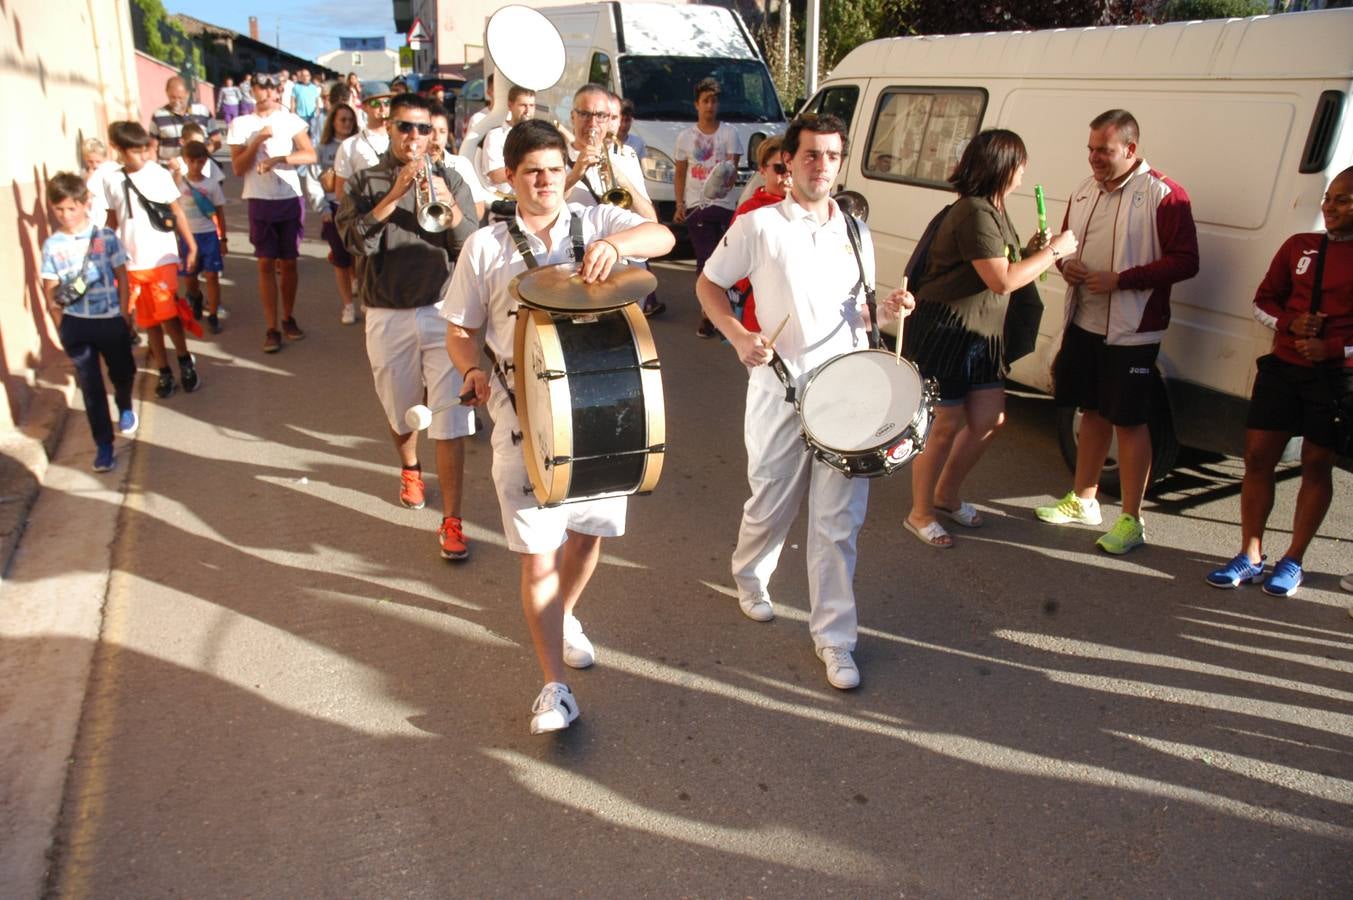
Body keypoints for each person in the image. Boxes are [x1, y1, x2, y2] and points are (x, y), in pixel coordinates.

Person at [442, 119, 675, 734]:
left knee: (588, 535)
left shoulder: (592, 220)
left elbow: (665, 235)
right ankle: (555, 686)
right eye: (530, 172)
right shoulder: (485, 247)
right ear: (512, 177)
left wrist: (620, 247)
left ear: (564, 168)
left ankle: (563, 616)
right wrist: (470, 371)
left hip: (605, 411)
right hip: (521, 417)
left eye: (552, 168)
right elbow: (460, 331)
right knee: (537, 556)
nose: (543, 181)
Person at [695, 113, 915, 691]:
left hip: (848, 394)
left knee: (838, 522)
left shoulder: (856, 231)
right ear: (788, 163)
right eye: (811, 155)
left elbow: (860, 314)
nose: (822, 166)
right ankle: (750, 575)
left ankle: (835, 639)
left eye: (832, 156)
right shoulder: (760, 226)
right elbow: (709, 285)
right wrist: (740, 336)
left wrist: (890, 311)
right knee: (771, 500)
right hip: (780, 389)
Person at [901, 130, 1078, 549]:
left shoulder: (994, 209)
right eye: (1020, 165)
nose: (1023, 174)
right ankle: (920, 512)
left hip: (983, 336)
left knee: (990, 419)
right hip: (948, 333)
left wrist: (1033, 249)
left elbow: (1004, 264)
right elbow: (1001, 280)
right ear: (1003, 167)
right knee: (944, 425)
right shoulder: (975, 212)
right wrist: (1054, 251)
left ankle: (945, 495)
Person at [1034, 110, 1199, 554]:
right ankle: (1084, 499)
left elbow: (1187, 261)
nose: (1094, 159)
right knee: (1091, 412)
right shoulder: (1084, 190)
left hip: (1132, 331)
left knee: (1130, 422)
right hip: (1085, 321)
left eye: (1103, 151)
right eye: (1090, 150)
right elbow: (1068, 245)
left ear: (1130, 149)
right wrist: (1066, 267)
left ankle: (1131, 519)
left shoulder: (1163, 193)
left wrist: (1120, 279)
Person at [337, 93, 479, 561]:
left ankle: (453, 519)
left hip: (444, 312)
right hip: (386, 312)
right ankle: (410, 468)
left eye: (423, 129)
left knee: (450, 418)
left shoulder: (451, 177)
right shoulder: (363, 180)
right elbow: (354, 242)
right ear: (388, 127)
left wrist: (445, 203)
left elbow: (470, 244)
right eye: (405, 127)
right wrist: (396, 193)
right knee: (401, 410)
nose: (414, 137)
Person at [1205, 167, 1353, 597]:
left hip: (1333, 380)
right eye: (1328, 197)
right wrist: (1292, 323)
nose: (1330, 206)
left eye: (1343, 200)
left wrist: (1335, 348)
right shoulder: (1300, 246)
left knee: (1316, 464)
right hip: (1283, 371)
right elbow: (1262, 301)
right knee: (1256, 458)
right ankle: (1250, 554)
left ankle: (1294, 559)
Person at [41, 173, 137, 472]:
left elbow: (122, 274)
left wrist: (124, 312)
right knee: (91, 387)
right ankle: (104, 445)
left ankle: (124, 405)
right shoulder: (52, 244)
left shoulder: (104, 237)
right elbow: (50, 288)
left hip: (110, 320)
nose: (66, 215)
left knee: (123, 372)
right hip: (76, 325)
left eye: (71, 208)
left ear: (85, 204)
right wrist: (60, 324)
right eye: (59, 209)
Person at [103, 121, 200, 398]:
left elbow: (177, 211)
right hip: (133, 261)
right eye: (136, 151)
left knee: (167, 312)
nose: (144, 156)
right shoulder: (111, 179)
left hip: (162, 256)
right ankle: (164, 370)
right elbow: (113, 221)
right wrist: (99, 250)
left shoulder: (158, 174)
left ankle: (184, 360)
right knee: (149, 321)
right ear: (118, 149)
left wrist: (190, 246)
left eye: (145, 149)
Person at [227, 72, 317, 353]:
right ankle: (271, 327)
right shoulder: (241, 123)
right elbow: (238, 168)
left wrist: (281, 158)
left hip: (289, 196)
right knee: (265, 263)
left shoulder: (289, 120)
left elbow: (310, 154)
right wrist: (256, 141)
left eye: (270, 88)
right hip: (259, 198)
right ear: (252, 90)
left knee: (288, 262)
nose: (264, 92)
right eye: (259, 87)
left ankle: (288, 317)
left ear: (277, 91)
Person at [675, 77, 744, 338]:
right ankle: (708, 315)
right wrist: (680, 203)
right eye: (705, 101)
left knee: (725, 261)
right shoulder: (685, 137)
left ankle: (724, 313)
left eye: (714, 101)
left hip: (724, 205)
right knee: (705, 260)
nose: (710, 106)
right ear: (696, 105)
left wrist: (722, 183)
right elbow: (680, 172)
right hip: (697, 206)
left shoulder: (729, 134)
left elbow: (731, 172)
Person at [564, 84, 656, 221]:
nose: (593, 124)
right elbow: (540, 207)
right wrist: (576, 173)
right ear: (573, 117)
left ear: (608, 120)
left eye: (600, 116)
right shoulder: (556, 155)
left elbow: (651, 219)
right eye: (585, 114)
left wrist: (623, 181)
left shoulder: (625, 155)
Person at [726, 135, 790, 333]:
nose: (787, 175)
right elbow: (731, 264)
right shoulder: (750, 211)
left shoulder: (807, 209)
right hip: (759, 313)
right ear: (762, 170)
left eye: (792, 168)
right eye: (779, 169)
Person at [176, 141, 228, 334]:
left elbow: (219, 212)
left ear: (205, 161)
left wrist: (223, 239)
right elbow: (175, 212)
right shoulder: (180, 184)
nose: (196, 166)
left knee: (212, 275)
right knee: (189, 277)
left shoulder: (211, 184)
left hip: (209, 235)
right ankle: (196, 296)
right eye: (192, 161)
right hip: (188, 237)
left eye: (200, 161)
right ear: (185, 161)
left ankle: (213, 314)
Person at [317, 102, 360, 324]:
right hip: (334, 209)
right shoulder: (324, 148)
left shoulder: (359, 145)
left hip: (358, 209)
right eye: (342, 119)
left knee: (360, 255)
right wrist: (323, 207)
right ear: (333, 121)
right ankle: (348, 306)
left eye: (350, 120)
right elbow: (316, 181)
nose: (346, 124)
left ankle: (359, 284)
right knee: (340, 259)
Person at [429, 102, 487, 224]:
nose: (436, 138)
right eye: (431, 130)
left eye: (442, 131)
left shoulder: (461, 164)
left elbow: (479, 210)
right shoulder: (412, 165)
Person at [333, 85, 393, 195]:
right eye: (376, 104)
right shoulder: (348, 145)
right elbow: (340, 192)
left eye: (387, 103)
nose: (383, 108)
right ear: (364, 107)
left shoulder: (400, 139)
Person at [149, 76, 222, 164]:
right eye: (172, 97)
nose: (177, 101)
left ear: (187, 94)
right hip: (169, 169)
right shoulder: (158, 115)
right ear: (167, 93)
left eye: (180, 98)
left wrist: (200, 153)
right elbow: (152, 147)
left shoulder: (203, 111)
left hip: (199, 168)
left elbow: (217, 141)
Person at [479, 86, 535, 193]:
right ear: (510, 105)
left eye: (531, 105)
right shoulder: (496, 136)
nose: (528, 111)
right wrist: (530, 170)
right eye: (523, 105)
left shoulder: (538, 134)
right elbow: (495, 175)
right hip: (505, 202)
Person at [82, 137, 121, 228]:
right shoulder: (86, 173)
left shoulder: (111, 168)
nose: (95, 165)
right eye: (90, 162)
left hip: (108, 211)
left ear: (105, 157)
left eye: (98, 161)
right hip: (95, 213)